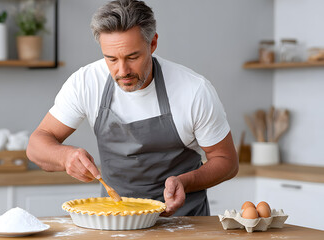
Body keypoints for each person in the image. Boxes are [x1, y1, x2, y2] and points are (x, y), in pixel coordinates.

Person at [26, 0, 238, 216]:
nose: (122, 70)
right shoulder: (86, 82)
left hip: (183, 222)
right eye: (111, 59)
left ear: (153, 43)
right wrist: (65, 157)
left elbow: (227, 162)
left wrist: (185, 181)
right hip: (115, 221)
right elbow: (36, 145)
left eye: (132, 57)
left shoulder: (193, 90)